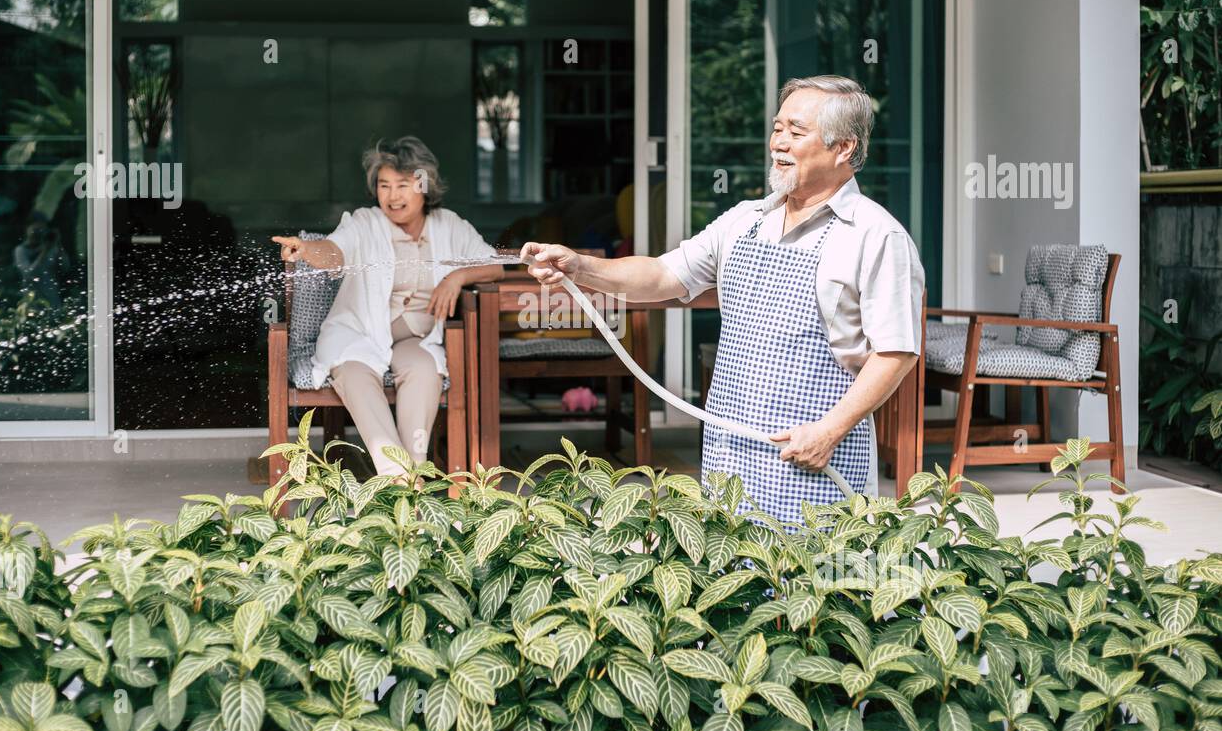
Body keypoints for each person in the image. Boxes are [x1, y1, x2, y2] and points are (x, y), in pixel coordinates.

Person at [522, 75, 925, 525]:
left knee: (815, 583)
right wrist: (581, 266)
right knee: (731, 580)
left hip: (812, 451)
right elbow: (661, 275)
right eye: (777, 128)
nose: (779, 143)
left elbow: (896, 351)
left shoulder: (876, 235)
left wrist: (828, 432)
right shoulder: (744, 221)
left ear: (844, 148)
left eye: (796, 131)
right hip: (729, 447)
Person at [273, 136, 503, 476]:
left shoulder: (449, 225)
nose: (393, 196)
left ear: (424, 185)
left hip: (416, 339)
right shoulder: (365, 223)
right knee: (355, 375)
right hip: (358, 336)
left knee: (425, 371)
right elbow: (335, 252)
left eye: (403, 185)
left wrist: (456, 278)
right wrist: (307, 250)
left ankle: (416, 472)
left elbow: (495, 265)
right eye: (384, 185)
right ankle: (396, 478)